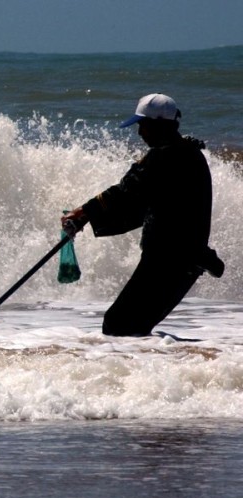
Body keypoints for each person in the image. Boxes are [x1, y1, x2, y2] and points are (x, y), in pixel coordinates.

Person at [61, 93, 223, 336]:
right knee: (130, 326)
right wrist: (87, 218)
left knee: (119, 325)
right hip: (182, 259)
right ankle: (169, 366)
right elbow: (142, 203)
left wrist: (83, 212)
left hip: (170, 260)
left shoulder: (166, 158)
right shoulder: (185, 153)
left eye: (143, 126)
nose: (139, 133)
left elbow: (126, 191)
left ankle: (169, 370)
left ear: (159, 125)